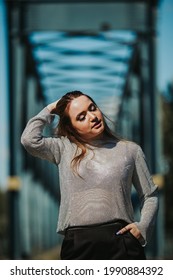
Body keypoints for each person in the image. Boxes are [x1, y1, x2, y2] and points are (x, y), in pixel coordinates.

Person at [21, 90, 159, 260]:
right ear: (71, 127)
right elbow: (29, 140)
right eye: (81, 117)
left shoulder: (130, 150)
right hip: (77, 245)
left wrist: (143, 226)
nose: (92, 116)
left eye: (92, 108)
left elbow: (150, 195)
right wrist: (50, 108)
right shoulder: (63, 149)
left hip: (122, 242)